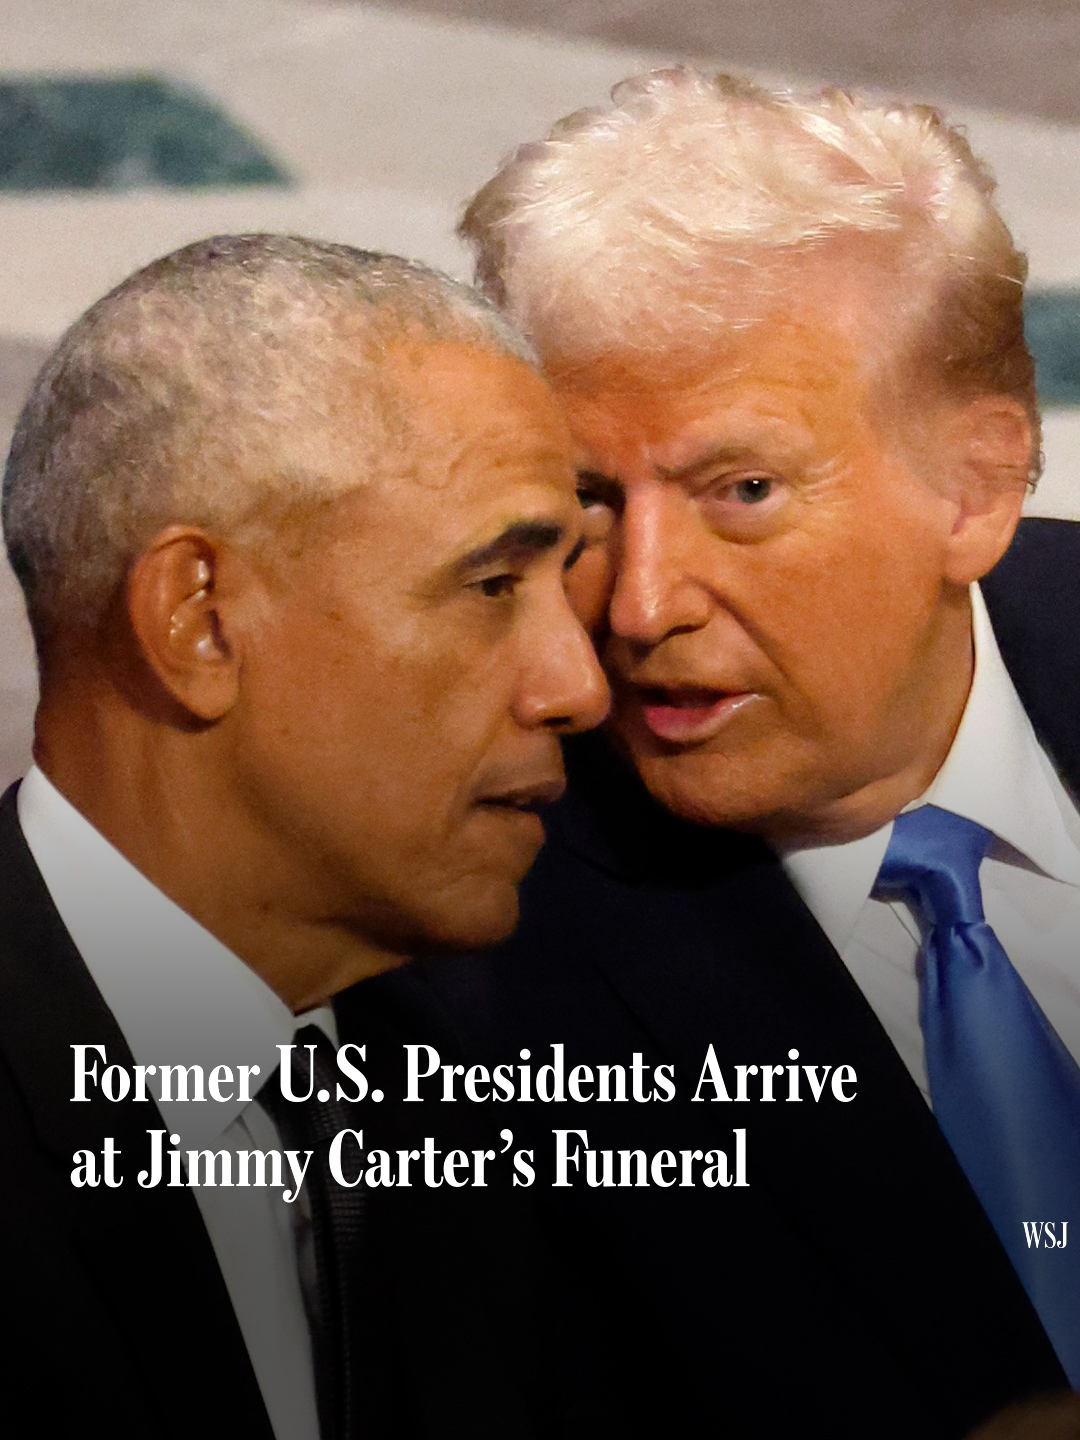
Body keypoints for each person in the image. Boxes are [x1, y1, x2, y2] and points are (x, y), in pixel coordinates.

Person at [373, 72, 1080, 1436]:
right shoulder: (447, 972)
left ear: (975, 486)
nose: (640, 605)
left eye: (740, 492)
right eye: (585, 499)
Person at [0, 233, 608, 1439]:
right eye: (494, 587)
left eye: (567, 586)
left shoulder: (487, 1111)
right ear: (200, 621)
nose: (578, 684)